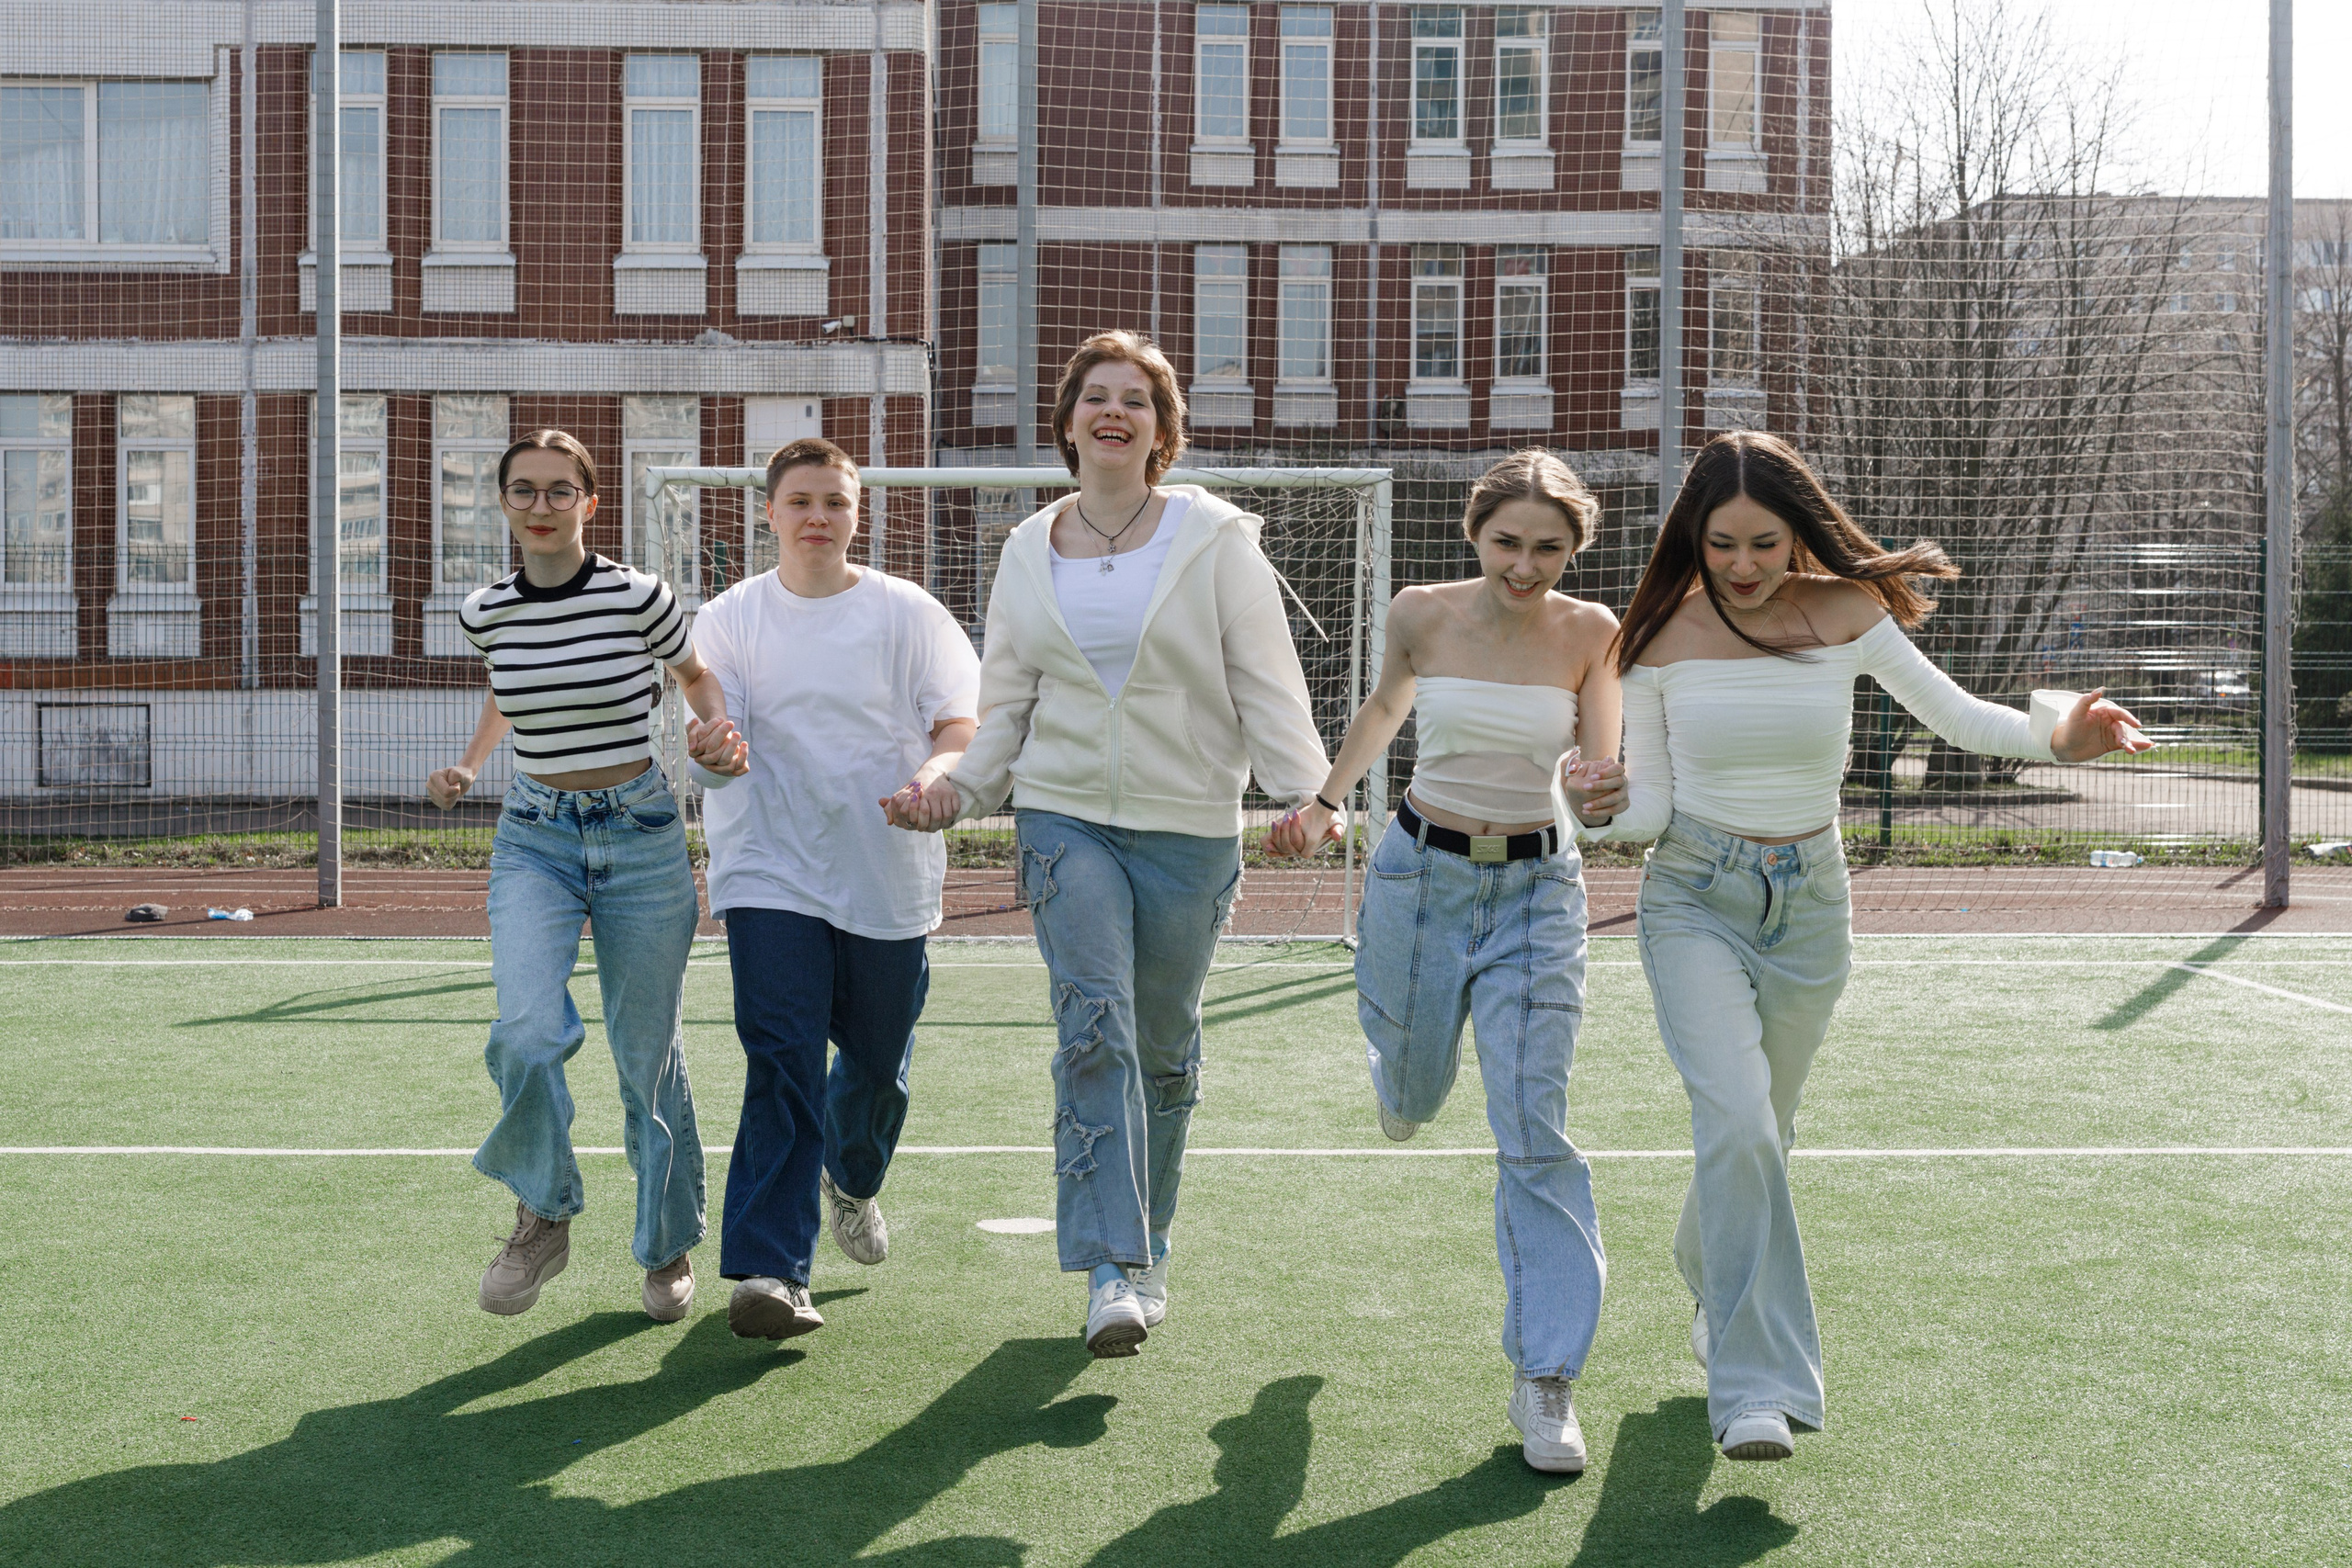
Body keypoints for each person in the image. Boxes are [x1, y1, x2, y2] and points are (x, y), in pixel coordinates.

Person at [1585, 431, 2149, 1461]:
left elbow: (1964, 719)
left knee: (1766, 1131)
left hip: (1811, 903)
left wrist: (2063, 727)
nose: (1743, 566)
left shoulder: (1850, 612)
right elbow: (1647, 808)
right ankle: (1754, 1391)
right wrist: (1594, 807)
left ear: (1799, 535)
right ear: (1693, 542)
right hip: (1693, 898)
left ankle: (1713, 1270)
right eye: (1721, 545)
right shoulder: (1658, 636)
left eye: (1763, 542)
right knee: (1740, 1121)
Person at [893, 330, 1329, 1359]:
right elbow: (1004, 703)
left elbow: (1265, 675)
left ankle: (1151, 1243)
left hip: (1188, 828)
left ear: (1162, 430)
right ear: (1068, 421)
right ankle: (1108, 1269)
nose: (1113, 411)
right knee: (1095, 1026)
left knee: (1164, 1048)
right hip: (1063, 816)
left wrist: (1307, 792)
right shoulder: (1025, 547)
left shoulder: (1215, 539)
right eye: (1095, 395)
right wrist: (955, 793)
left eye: (1136, 398)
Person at [1270, 449, 1628, 1475]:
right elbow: (1386, 709)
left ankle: (1547, 1376)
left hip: (1538, 896)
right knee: (1416, 1087)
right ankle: (1400, 1071)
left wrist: (1597, 786)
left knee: (1534, 1121)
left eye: (1549, 549)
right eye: (1509, 543)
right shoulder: (1422, 611)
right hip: (1417, 879)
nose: (1526, 566)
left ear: (1575, 549)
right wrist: (1327, 802)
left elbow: (1595, 766)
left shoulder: (1591, 633)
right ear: (1476, 534)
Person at [426, 428, 750, 1323]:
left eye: (559, 491)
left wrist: (713, 730)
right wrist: (469, 764)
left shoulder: (639, 597)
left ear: (589, 503)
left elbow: (695, 676)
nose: (540, 506)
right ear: (502, 504)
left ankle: (666, 1243)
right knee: (527, 1034)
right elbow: (508, 687)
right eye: (523, 491)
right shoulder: (484, 609)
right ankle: (543, 1211)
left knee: (646, 1059)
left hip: (640, 837)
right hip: (535, 838)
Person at [688, 437, 981, 1341]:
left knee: (875, 1065)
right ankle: (772, 1271)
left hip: (884, 873)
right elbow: (712, 721)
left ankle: (852, 1179)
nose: (819, 517)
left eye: (836, 503)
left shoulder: (909, 613)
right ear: (769, 514)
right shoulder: (729, 617)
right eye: (801, 501)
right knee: (780, 1057)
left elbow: (960, 724)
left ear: (858, 515)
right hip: (769, 868)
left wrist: (937, 779)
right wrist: (715, 748)